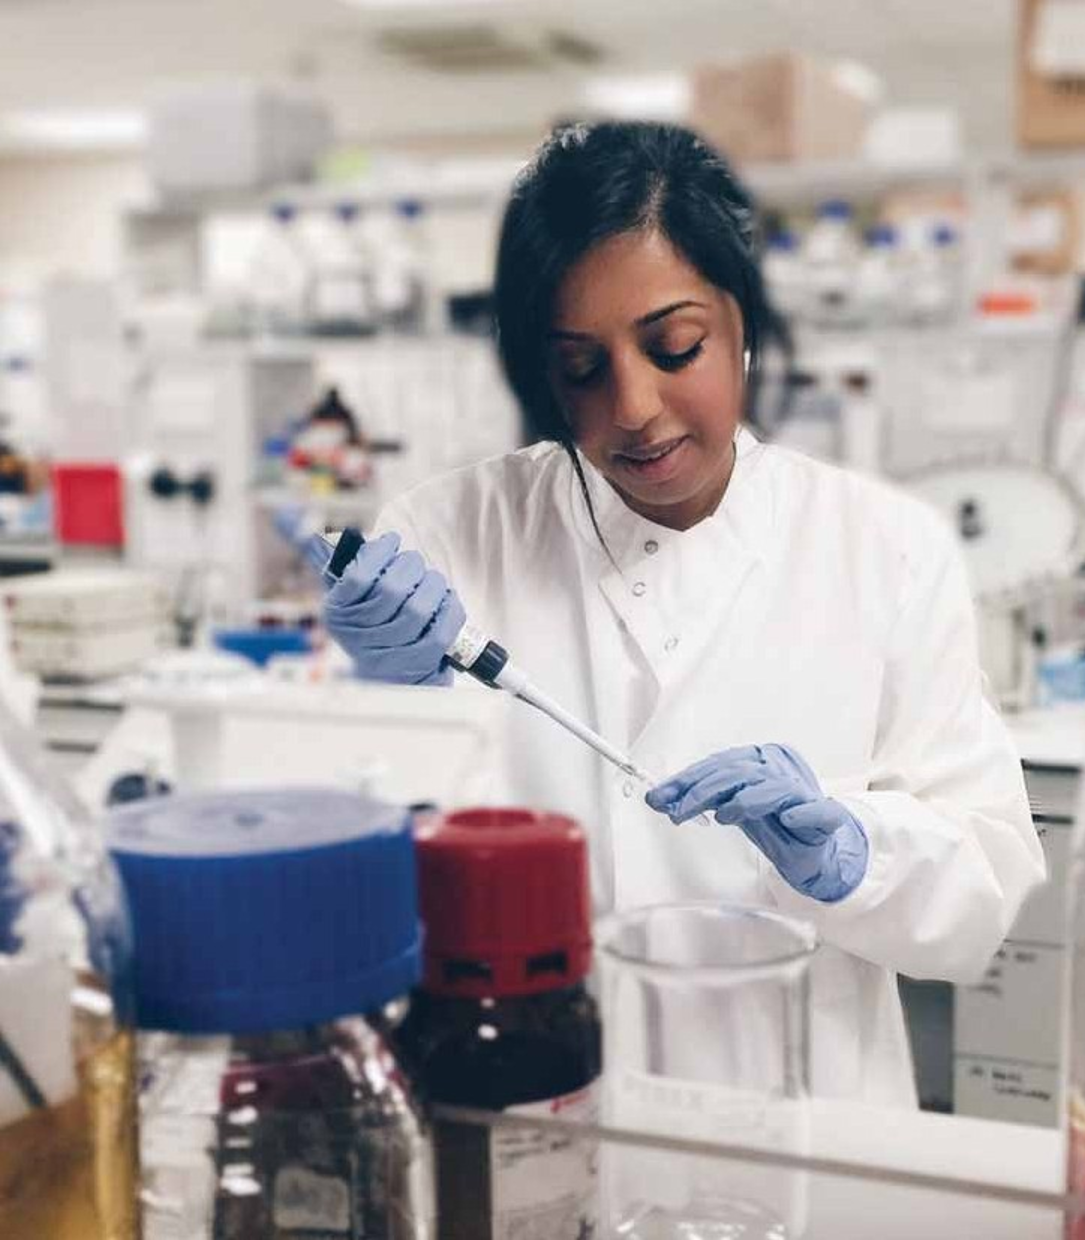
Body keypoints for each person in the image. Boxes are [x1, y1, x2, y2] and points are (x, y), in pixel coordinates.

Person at [308, 121, 1045, 1106]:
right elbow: (357, 886)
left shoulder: (882, 546)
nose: (636, 405)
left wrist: (849, 852)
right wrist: (376, 703)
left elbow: (983, 894)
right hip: (519, 1114)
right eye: (581, 367)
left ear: (740, 326)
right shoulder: (448, 533)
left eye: (674, 345)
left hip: (801, 1122)